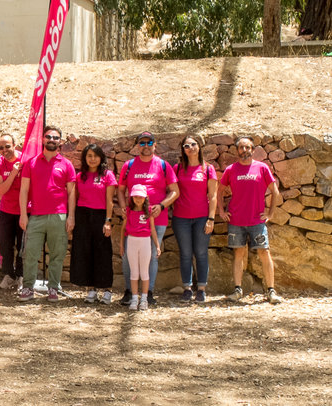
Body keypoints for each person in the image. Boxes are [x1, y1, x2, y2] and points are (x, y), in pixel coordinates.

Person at [217, 136, 283, 304]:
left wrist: (270, 213)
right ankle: (238, 290)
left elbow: (274, 192)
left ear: (253, 150)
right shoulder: (231, 169)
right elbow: (219, 191)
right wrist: (221, 211)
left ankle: (271, 291)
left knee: (264, 252)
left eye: (248, 148)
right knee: (238, 253)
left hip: (257, 222)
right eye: (241, 148)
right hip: (236, 221)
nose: (244, 150)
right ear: (237, 150)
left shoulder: (262, 168)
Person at [116, 131, 179, 306]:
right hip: (133, 220)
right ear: (137, 146)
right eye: (142, 143)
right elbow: (120, 190)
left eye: (149, 143)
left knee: (151, 256)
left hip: (156, 220)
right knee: (129, 256)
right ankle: (130, 292)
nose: (145, 146)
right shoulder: (128, 165)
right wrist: (123, 207)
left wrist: (162, 205)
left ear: (155, 145)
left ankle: (148, 292)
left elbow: (175, 191)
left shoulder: (163, 165)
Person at [17, 125, 76, 302]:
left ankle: (53, 288)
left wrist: (71, 216)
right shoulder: (31, 163)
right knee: (30, 254)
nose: (52, 140)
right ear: (43, 139)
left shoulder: (66, 165)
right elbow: (24, 190)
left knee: (57, 254)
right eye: (48, 137)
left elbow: (72, 192)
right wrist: (23, 214)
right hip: (36, 215)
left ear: (60, 142)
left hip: (59, 216)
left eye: (55, 138)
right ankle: (28, 288)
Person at [172, 134, 217, 303]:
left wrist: (211, 219)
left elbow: (213, 196)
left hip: (201, 218)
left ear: (199, 146)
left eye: (193, 144)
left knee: (201, 253)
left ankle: (202, 289)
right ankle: (187, 288)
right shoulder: (177, 168)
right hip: (181, 218)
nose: (190, 148)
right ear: (183, 150)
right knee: (185, 253)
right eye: (186, 146)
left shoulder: (208, 169)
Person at [71, 143, 116, 305]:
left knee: (103, 253)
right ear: (85, 158)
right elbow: (75, 199)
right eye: (89, 156)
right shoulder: (80, 176)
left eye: (95, 155)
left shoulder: (107, 175)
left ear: (101, 157)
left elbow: (110, 201)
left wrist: (108, 222)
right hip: (83, 216)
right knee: (85, 252)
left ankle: (107, 290)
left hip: (101, 216)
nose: (92, 159)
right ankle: (91, 289)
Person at [121, 185, 161, 311]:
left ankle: (143, 299)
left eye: (141, 197)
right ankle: (134, 298)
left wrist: (157, 246)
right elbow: (123, 229)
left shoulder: (149, 211)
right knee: (134, 272)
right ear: (132, 197)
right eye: (136, 196)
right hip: (132, 241)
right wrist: (122, 245)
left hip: (145, 242)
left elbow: (153, 229)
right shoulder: (128, 211)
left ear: (146, 197)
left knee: (144, 272)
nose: (138, 199)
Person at [0, 133, 23, 290]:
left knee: (23, 245)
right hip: (7, 210)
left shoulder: (25, 160)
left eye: (8, 146)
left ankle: (21, 276)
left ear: (15, 145)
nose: (5, 150)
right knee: (5, 244)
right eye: (1, 148)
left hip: (25, 210)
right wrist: (13, 173)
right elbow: (1, 189)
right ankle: (9, 275)